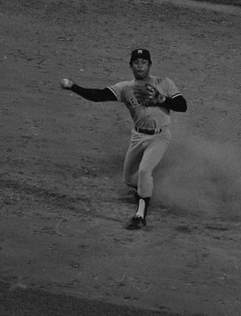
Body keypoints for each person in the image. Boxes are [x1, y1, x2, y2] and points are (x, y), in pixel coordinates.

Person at [60, 48, 187, 230]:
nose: (140, 65)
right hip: (137, 136)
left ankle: (140, 215)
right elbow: (99, 96)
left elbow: (182, 106)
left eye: (144, 62)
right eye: (136, 62)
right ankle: (146, 189)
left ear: (150, 65)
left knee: (144, 171)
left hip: (160, 136)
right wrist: (74, 87)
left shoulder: (164, 83)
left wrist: (161, 99)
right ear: (131, 66)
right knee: (129, 179)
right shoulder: (125, 88)